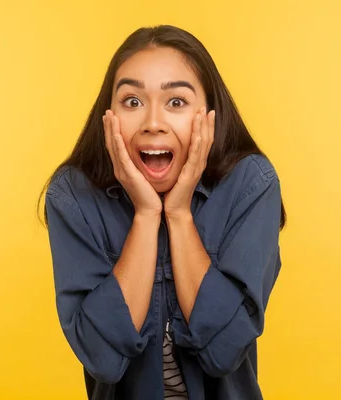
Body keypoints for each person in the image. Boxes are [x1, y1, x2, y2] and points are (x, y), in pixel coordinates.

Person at [40, 25, 286, 400]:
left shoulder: (251, 184)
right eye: (132, 101)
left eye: (176, 102)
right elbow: (103, 358)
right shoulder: (73, 195)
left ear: (209, 115)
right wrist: (144, 215)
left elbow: (223, 351)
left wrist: (179, 215)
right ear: (109, 116)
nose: (153, 123)